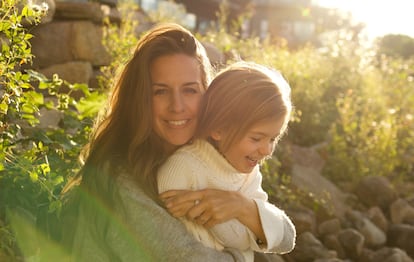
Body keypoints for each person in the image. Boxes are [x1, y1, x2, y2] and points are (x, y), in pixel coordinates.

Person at [60, 23, 246, 261]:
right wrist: (244, 252)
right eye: (160, 91)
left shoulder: (202, 160)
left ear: (206, 95)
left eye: (189, 90)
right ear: (140, 99)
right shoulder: (118, 176)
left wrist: (244, 208)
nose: (177, 106)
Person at [158, 62, 296, 261]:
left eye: (273, 139)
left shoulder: (248, 171)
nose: (266, 150)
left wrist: (242, 208)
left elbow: (283, 239)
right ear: (218, 129)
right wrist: (251, 222)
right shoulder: (182, 169)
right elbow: (173, 247)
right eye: (256, 138)